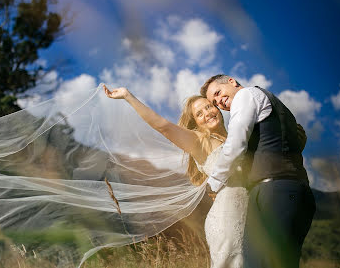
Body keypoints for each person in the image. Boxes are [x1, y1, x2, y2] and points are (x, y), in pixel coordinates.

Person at [103, 84, 249, 268]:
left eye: (208, 107)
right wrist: (127, 96)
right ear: (195, 123)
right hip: (228, 220)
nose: (207, 113)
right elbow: (163, 127)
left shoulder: (237, 136)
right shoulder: (199, 141)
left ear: (217, 108)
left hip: (253, 214)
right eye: (199, 114)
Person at [200, 74, 316, 268]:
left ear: (231, 81)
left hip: (274, 192)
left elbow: (235, 144)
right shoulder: (273, 107)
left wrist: (212, 184)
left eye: (218, 93)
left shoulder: (246, 96)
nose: (219, 102)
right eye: (215, 101)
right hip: (292, 190)